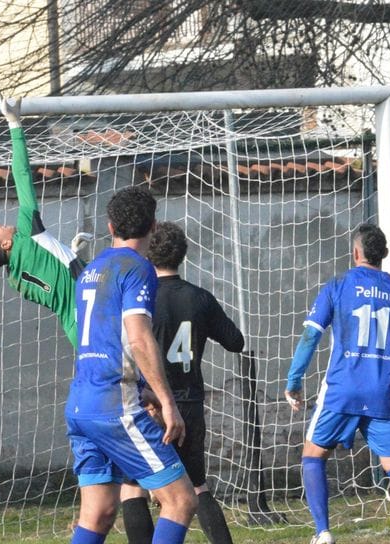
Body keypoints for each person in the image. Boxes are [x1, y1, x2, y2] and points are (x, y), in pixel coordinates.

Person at [67, 186, 197, 544]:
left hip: (81, 404)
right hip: (114, 407)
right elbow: (138, 338)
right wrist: (167, 402)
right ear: (153, 226)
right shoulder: (138, 268)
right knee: (181, 500)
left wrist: (142, 388)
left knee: (98, 513)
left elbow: (106, 342)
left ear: (110, 227)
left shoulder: (92, 269)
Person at [285, 223, 390, 544]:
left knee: (313, 456)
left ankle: (323, 532)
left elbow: (310, 336)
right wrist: (388, 371)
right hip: (384, 393)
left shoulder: (338, 285)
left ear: (355, 253)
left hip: (341, 391)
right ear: (384, 254)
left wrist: (294, 380)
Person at [120, 221, 243, 544]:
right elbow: (236, 341)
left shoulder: (140, 299)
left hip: (148, 405)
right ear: (182, 254)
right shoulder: (199, 298)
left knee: (133, 486)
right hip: (188, 405)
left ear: (148, 254)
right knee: (197, 485)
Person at [0, 91, 92, 348]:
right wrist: (14, 123)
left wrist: (68, 254)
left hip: (75, 329)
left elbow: (53, 281)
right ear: (6, 244)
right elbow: (22, 175)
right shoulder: (26, 232)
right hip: (94, 315)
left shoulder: (15, 280)